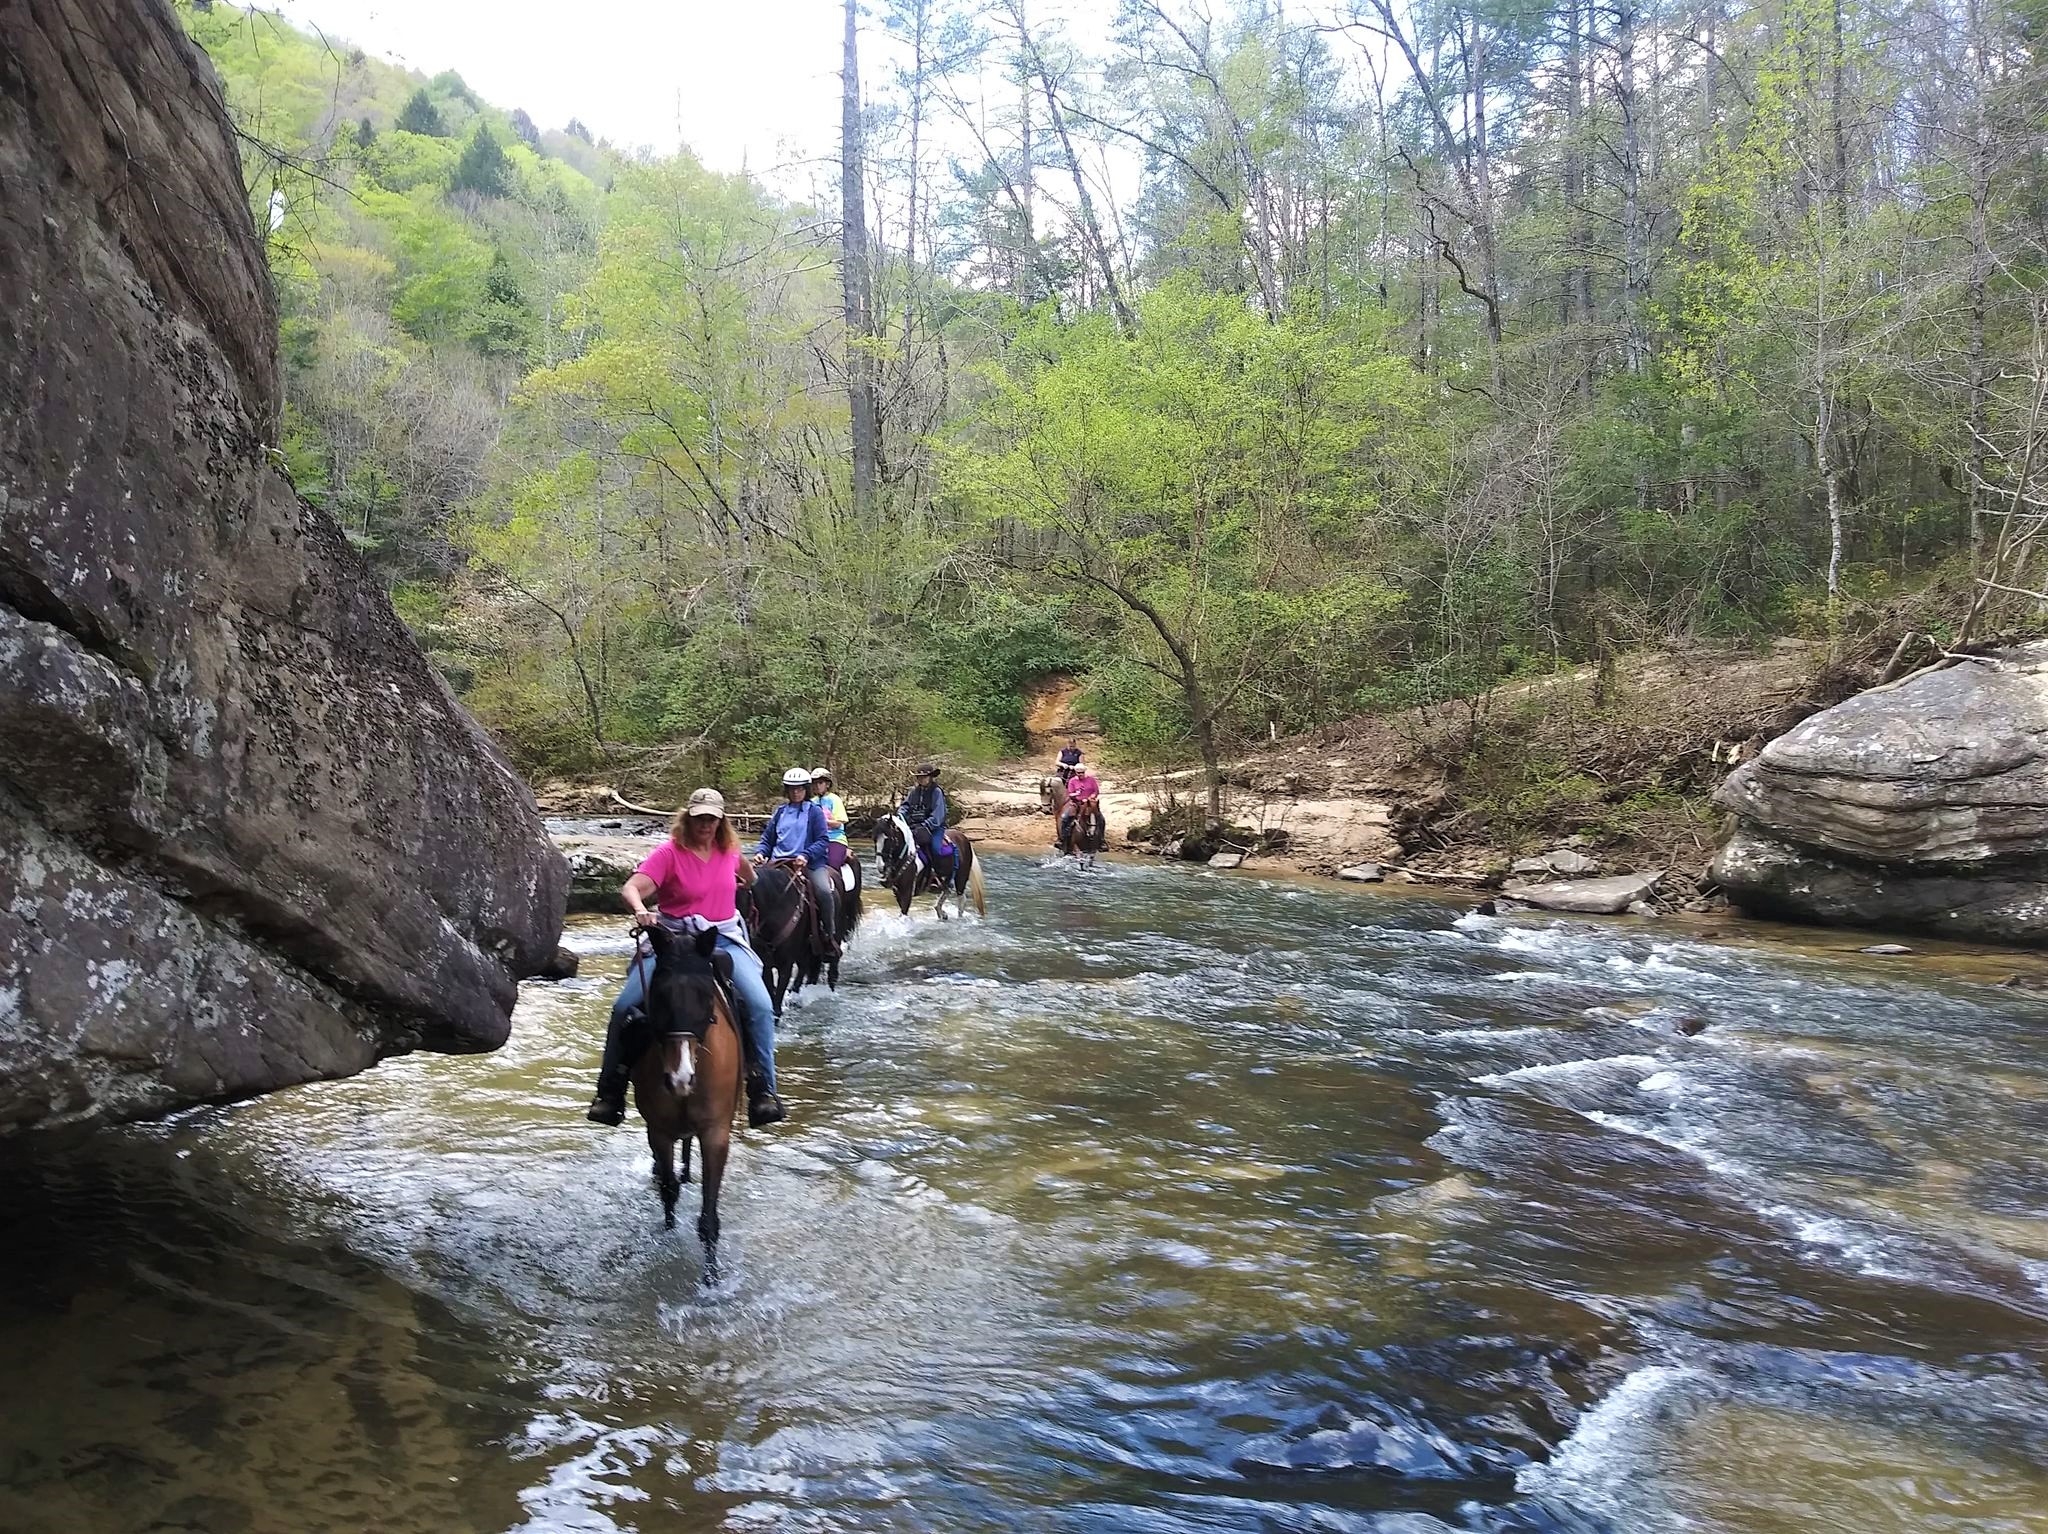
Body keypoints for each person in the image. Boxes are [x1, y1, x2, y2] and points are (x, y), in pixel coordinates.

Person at [588, 788, 786, 1129]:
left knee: (760, 1005)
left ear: (721, 820)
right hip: (672, 940)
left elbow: (749, 879)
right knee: (624, 1007)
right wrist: (640, 911)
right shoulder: (669, 853)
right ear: (688, 819)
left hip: (720, 937)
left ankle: (763, 1090)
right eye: (699, 818)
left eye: (712, 818)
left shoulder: (731, 852)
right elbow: (631, 888)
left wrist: (740, 883)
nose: (705, 825)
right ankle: (611, 1091)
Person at [755, 766, 838, 958]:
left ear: (806, 789)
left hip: (807, 863)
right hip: (778, 863)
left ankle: (828, 935)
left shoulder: (815, 811)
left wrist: (806, 855)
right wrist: (761, 852)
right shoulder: (780, 812)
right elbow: (768, 839)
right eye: (792, 788)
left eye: (800, 788)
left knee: (825, 892)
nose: (796, 792)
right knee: (753, 888)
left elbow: (822, 840)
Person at [899, 764, 949, 867]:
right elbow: (905, 806)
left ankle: (939, 874)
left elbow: (938, 815)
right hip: (914, 827)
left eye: (924, 777)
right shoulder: (913, 792)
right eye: (919, 777)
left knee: (935, 848)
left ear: (930, 777)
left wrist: (925, 825)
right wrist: (900, 815)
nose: (921, 779)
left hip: (934, 828)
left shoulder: (936, 792)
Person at [1060, 757, 1104, 852]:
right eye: (1078, 773)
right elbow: (1070, 793)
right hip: (1076, 803)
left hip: (1089, 803)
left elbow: (1096, 791)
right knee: (1064, 817)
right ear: (1076, 773)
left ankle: (1102, 840)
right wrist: (1076, 794)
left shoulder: (1091, 780)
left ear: (1084, 772)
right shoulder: (1072, 781)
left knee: (1101, 819)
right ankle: (1063, 839)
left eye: (1082, 773)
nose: (1080, 774)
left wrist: (1090, 797)